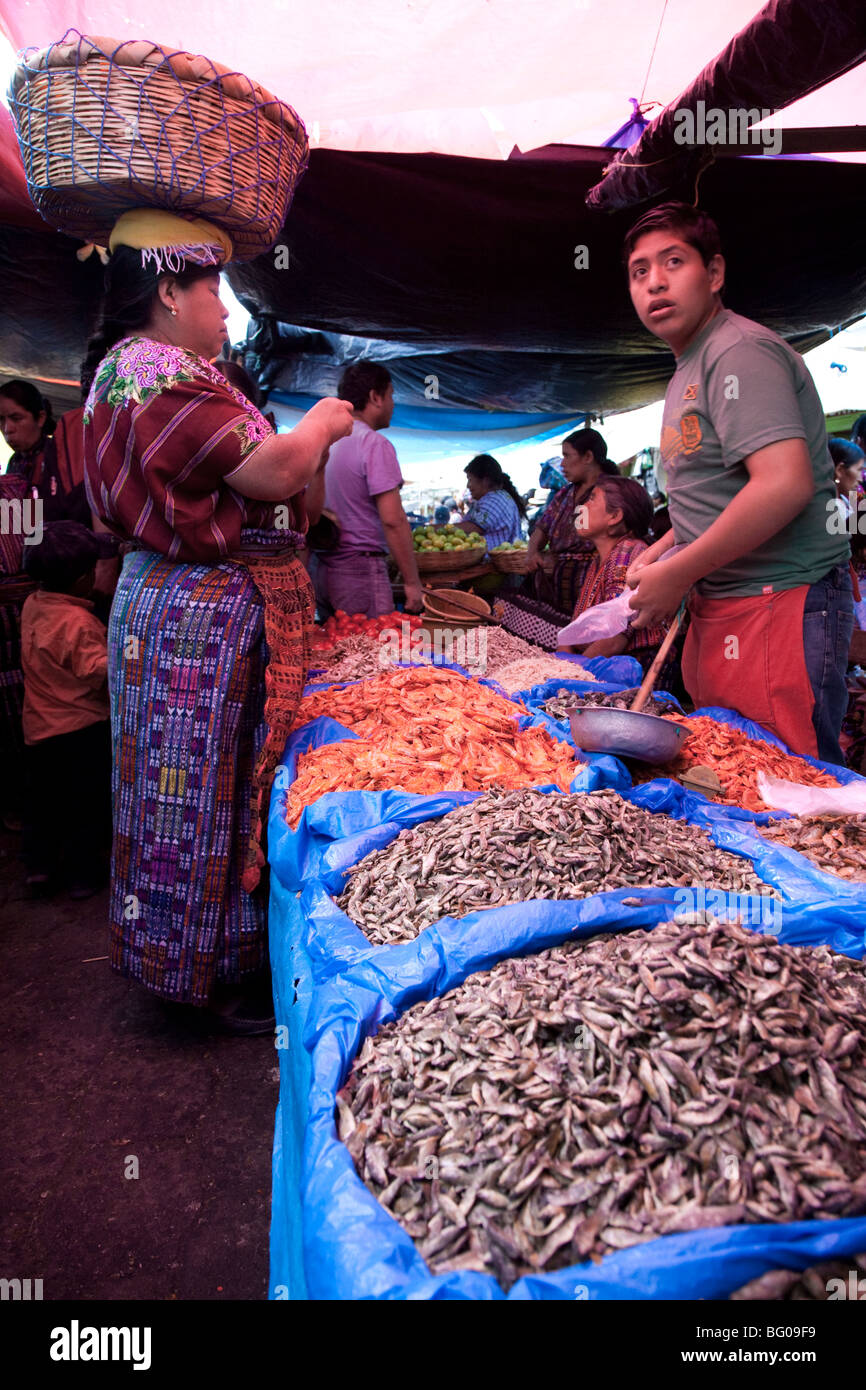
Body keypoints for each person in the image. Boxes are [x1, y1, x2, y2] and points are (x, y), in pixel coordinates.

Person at [81, 208, 354, 1031]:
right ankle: (207, 974)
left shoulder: (119, 369)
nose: (227, 311)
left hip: (157, 601)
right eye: (214, 290)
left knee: (164, 785)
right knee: (204, 788)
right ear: (168, 290)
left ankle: (172, 956)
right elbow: (271, 471)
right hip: (194, 612)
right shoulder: (161, 370)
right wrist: (323, 424)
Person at [624, 201, 852, 764]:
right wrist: (661, 551)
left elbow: (783, 485)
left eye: (673, 262)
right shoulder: (688, 366)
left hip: (778, 601)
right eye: (639, 271)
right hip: (727, 605)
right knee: (735, 777)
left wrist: (675, 574)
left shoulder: (739, 352)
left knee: (791, 791)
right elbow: (715, 495)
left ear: (716, 273)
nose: (655, 282)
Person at [20, 521, 118, 898]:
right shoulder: (79, 622)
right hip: (81, 730)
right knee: (85, 806)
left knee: (42, 805)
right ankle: (82, 876)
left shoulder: (33, 604)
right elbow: (98, 672)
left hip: (39, 729)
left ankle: (39, 869)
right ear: (81, 579)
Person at [318, 363, 424, 616]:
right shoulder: (374, 444)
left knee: (335, 651)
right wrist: (412, 582)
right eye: (391, 396)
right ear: (375, 397)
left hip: (321, 570)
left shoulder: (326, 441)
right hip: (360, 574)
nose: (393, 404)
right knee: (371, 652)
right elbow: (393, 520)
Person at [565, 476, 666, 663]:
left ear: (615, 516)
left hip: (630, 671)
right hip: (597, 664)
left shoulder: (628, 553)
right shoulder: (600, 559)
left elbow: (613, 640)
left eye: (592, 498)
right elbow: (575, 628)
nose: (582, 507)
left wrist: (566, 671)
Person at [525, 428, 620, 611]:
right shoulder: (565, 494)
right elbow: (543, 526)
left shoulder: (610, 492)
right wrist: (532, 552)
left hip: (594, 585)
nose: (562, 463)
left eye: (567, 456)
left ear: (588, 457)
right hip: (560, 586)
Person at [453, 454, 526, 550]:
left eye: (470, 480)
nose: (468, 485)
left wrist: (438, 529)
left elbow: (473, 528)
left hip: (492, 562)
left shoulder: (494, 500)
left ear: (485, 480)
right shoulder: (499, 496)